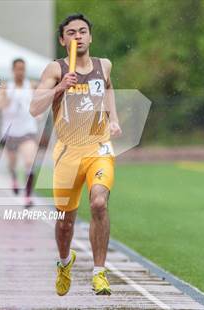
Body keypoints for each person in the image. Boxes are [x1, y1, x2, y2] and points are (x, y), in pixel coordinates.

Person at [30, 14, 122, 296]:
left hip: (99, 148)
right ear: (63, 40)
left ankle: (99, 273)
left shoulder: (103, 65)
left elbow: (107, 89)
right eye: (71, 32)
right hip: (67, 153)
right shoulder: (55, 69)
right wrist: (59, 88)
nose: (78, 36)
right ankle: (64, 262)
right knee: (65, 222)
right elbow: (34, 108)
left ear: (90, 37)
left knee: (98, 204)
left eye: (83, 31)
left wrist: (114, 118)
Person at [0, 58, 38, 208]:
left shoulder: (31, 85)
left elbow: (39, 102)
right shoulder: (7, 87)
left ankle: (27, 197)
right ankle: (14, 179)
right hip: (11, 132)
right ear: (13, 70)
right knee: (12, 164)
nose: (20, 72)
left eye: (23, 69)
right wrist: (5, 100)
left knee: (29, 162)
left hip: (28, 131)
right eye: (17, 69)